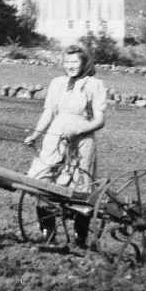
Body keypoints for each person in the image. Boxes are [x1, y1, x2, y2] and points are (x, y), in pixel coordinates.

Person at [23, 44, 107, 246]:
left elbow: (99, 120)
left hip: (81, 141)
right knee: (40, 179)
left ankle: (80, 235)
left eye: (75, 61)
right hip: (54, 138)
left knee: (79, 187)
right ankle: (48, 231)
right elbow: (48, 113)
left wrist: (78, 130)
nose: (70, 66)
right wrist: (35, 135)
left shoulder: (94, 85)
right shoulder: (57, 83)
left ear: (84, 62)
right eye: (67, 62)